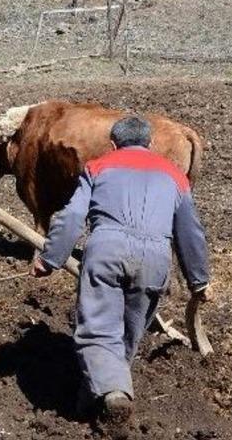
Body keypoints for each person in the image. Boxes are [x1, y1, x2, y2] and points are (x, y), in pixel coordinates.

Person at [30, 116, 211, 437]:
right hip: (156, 259)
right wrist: (199, 279)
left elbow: (71, 216)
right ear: (150, 145)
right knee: (129, 333)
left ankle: (114, 395)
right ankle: (91, 402)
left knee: (98, 331)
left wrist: (50, 259)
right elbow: (190, 231)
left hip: (107, 251)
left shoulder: (97, 167)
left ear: (114, 144)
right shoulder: (174, 176)